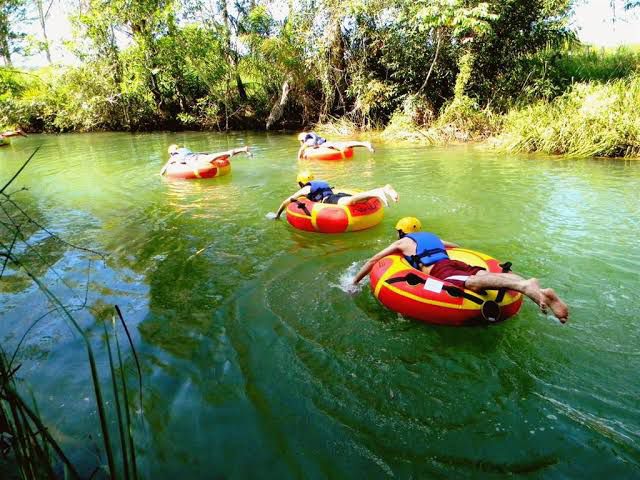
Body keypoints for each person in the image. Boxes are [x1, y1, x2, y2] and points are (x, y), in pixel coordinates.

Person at [352, 217, 569, 322]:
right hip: (456, 262)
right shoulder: (434, 237)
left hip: (440, 270)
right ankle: (538, 293)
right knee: (482, 274)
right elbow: (455, 247)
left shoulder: (402, 243)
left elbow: (373, 260)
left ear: (401, 232)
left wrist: (354, 282)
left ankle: (525, 285)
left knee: (471, 284)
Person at [274, 170, 398, 219]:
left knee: (351, 202)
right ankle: (381, 190)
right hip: (336, 195)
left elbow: (286, 201)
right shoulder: (321, 182)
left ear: (301, 183)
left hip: (329, 200)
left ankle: (378, 191)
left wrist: (277, 215)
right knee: (357, 200)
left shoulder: (305, 189)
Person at [161, 144, 251, 175]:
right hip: (197, 155)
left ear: (171, 152)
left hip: (195, 160)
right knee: (219, 157)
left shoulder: (174, 155)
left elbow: (165, 168)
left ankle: (228, 153)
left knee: (210, 159)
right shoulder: (184, 149)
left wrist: (161, 175)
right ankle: (242, 149)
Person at [297, 131, 374, 159]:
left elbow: (301, 149)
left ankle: (365, 144)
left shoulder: (308, 141)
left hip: (325, 145)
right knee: (347, 144)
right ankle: (364, 143)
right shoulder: (312, 136)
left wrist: (299, 159)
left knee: (342, 146)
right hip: (327, 143)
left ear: (302, 140)